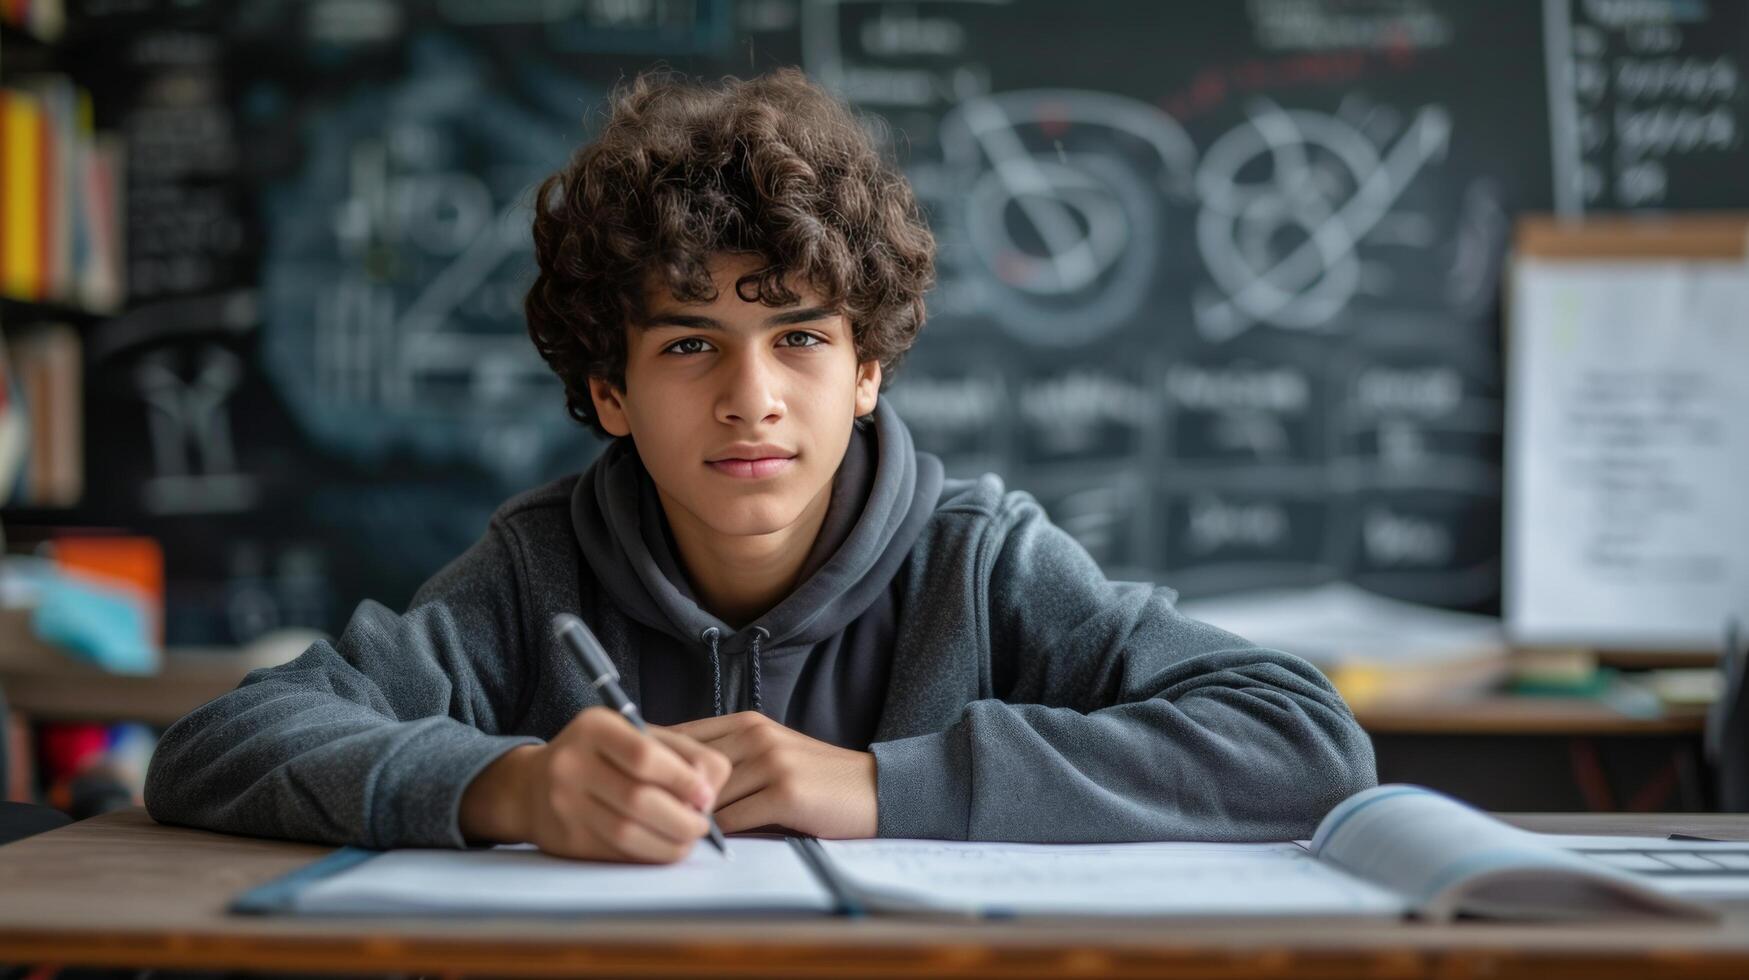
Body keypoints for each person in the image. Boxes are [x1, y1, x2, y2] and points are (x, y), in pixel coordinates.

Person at [144, 67, 1375, 863]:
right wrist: (508, 787)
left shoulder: (982, 560)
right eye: (690, 344)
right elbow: (216, 746)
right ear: (609, 390)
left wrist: (881, 784)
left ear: (870, 369)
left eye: (802, 338)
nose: (752, 398)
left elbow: (1303, 739)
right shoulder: (535, 572)